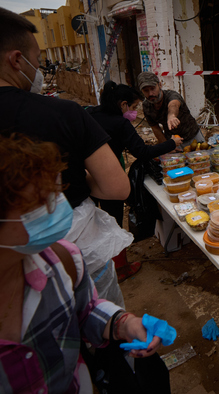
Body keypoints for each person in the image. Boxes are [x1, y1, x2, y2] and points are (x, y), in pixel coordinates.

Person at [0, 133, 165, 393]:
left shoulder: (61, 260)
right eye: (37, 206)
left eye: (53, 196)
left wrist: (123, 324)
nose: (56, 210)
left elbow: (84, 311)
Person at [0, 7, 131, 306]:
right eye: (36, 61)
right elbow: (116, 187)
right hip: (76, 244)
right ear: (16, 60)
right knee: (103, 324)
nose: (38, 68)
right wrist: (77, 180)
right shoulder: (64, 114)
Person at [87, 81, 182, 281]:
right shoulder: (120, 123)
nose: (134, 111)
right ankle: (120, 267)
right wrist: (171, 143)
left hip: (85, 174)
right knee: (112, 219)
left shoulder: (92, 113)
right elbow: (141, 152)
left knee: (93, 221)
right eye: (133, 107)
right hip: (106, 176)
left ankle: (96, 264)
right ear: (123, 105)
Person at [138, 71, 204, 149]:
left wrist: (171, 116)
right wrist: (167, 146)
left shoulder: (172, 95)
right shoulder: (146, 106)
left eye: (153, 88)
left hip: (193, 136)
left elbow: (174, 104)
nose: (150, 94)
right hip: (174, 141)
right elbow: (155, 128)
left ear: (159, 85)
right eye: (146, 90)